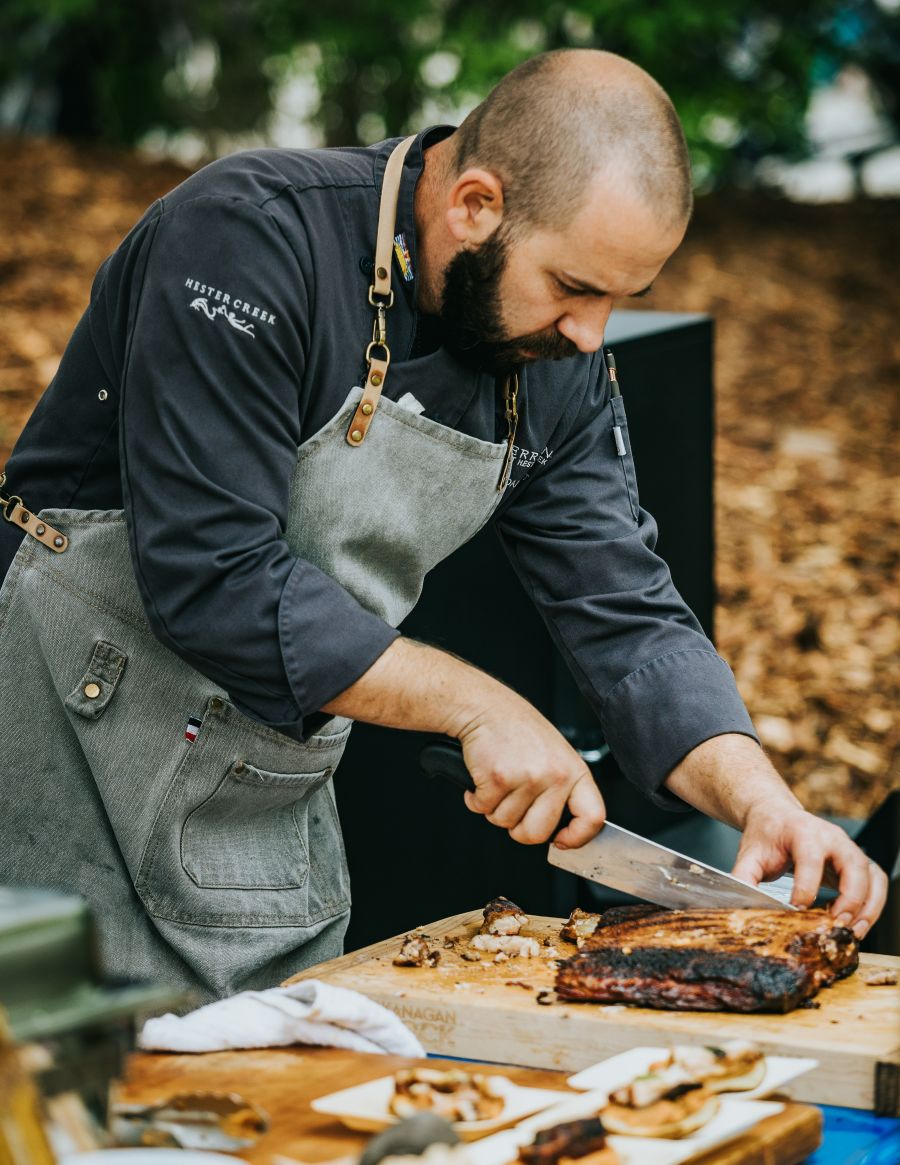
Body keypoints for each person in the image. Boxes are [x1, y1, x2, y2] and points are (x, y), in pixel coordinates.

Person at [0, 50, 885, 999]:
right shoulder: (246, 237)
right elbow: (214, 573)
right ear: (474, 203)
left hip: (260, 807)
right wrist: (481, 706)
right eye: (574, 287)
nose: (591, 334)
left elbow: (626, 612)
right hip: (66, 739)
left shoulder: (558, 365)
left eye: (620, 300)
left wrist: (765, 801)